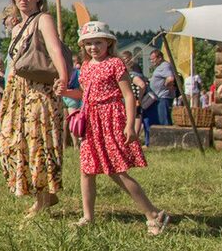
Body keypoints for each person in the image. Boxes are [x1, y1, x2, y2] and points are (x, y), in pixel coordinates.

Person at [69, 22, 170, 234]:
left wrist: (130, 125)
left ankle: (153, 214)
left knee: (117, 172)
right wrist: (65, 93)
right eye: (88, 43)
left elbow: (128, 95)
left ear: (109, 42)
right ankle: (88, 216)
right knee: (87, 171)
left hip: (111, 118)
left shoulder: (115, 63)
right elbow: (84, 94)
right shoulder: (86, 67)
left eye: (98, 42)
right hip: (92, 120)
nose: (93, 47)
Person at [0, 0, 72, 217]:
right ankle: (44, 194)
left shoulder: (44, 20)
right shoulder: (18, 27)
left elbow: (53, 48)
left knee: (38, 142)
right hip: (18, 91)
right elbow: (14, 65)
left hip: (39, 90)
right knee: (10, 142)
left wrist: (63, 75)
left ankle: (42, 198)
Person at [148, 49, 177, 128]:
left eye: (153, 59)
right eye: (150, 59)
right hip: (160, 97)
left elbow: (170, 78)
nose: (151, 61)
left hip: (164, 97)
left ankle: (167, 139)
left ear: (160, 58)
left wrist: (166, 85)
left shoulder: (165, 66)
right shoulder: (161, 66)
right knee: (162, 120)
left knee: (164, 121)